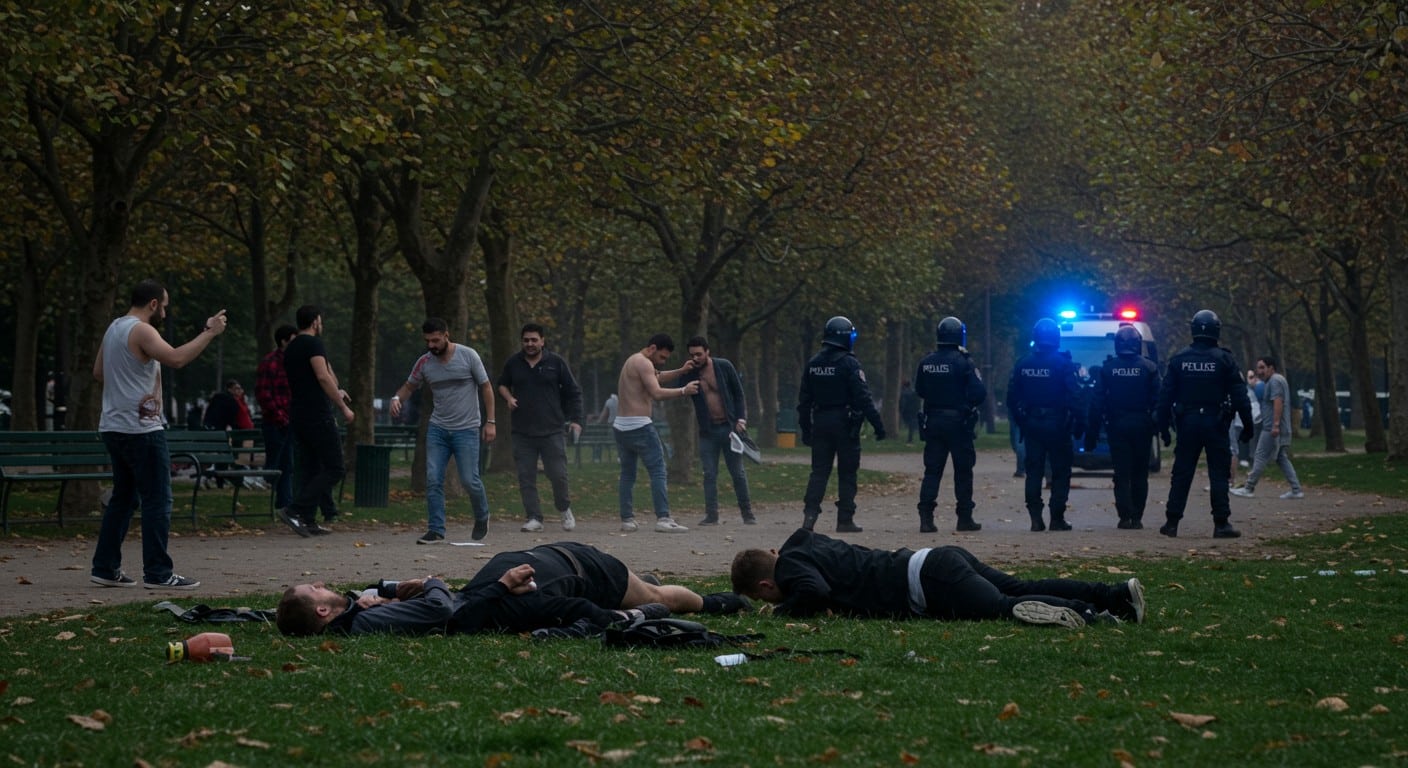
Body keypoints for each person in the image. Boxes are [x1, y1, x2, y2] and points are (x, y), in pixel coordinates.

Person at [276, 541, 750, 637]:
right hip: (568, 569)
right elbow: (444, 612)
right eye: (314, 590)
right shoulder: (364, 623)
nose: (321, 584)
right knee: (655, 598)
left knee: (652, 592)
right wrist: (434, 583)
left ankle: (709, 601)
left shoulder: (360, 612)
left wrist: (386, 590)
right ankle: (717, 603)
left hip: (543, 567)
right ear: (321, 613)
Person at [90, 279, 228, 590]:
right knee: (158, 499)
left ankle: (105, 567)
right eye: (163, 306)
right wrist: (210, 333)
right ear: (153, 304)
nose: (164, 311)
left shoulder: (114, 327)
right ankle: (158, 572)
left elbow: (99, 372)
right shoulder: (142, 330)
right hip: (141, 429)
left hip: (113, 425)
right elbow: (176, 358)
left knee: (123, 498)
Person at [730, 528, 1145, 628]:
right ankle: (1114, 595)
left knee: (1003, 607)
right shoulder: (803, 544)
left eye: (767, 598)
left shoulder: (789, 570)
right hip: (936, 559)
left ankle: (1087, 612)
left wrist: (785, 613)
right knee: (1017, 586)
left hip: (928, 583)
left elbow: (814, 592)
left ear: (766, 586)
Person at [389, 318, 496, 544]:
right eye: (428, 341)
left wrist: (491, 421)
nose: (431, 345)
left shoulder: (469, 356)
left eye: (436, 340)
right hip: (438, 428)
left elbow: (486, 387)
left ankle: (482, 515)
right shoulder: (424, 362)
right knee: (433, 478)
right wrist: (397, 398)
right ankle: (436, 529)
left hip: (466, 428)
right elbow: (409, 386)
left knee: (470, 480)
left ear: (447, 335)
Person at [1155, 310, 1253, 538]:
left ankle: (1171, 522)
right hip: (1216, 422)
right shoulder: (1225, 359)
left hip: (1187, 423)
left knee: (1182, 473)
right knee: (1218, 473)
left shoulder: (1179, 359)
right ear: (1216, 330)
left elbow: (1164, 398)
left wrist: (1164, 429)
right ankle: (1221, 523)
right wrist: (1248, 426)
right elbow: (1240, 396)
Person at [797, 316, 886, 533]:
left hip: (820, 422)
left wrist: (806, 430)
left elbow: (804, 401)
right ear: (845, 337)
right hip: (845, 424)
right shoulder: (849, 363)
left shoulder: (813, 364)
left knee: (819, 472)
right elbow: (864, 397)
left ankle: (809, 518)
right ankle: (845, 519)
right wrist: (878, 425)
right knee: (847, 473)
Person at [496, 323, 584, 533]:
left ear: (543, 341)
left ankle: (564, 509)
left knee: (558, 475)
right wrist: (508, 398)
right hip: (522, 431)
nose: (530, 344)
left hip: (552, 429)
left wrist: (576, 420)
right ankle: (534, 517)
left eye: (534, 340)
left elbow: (573, 391)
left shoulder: (556, 362)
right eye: (526, 340)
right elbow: (501, 384)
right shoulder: (514, 363)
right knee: (526, 476)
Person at [278, 305, 355, 538]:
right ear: (314, 322)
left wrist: (337, 390)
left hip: (298, 413)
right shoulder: (313, 344)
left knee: (311, 467)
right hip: (317, 413)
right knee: (335, 467)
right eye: (320, 321)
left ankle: (308, 520)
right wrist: (343, 407)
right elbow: (322, 376)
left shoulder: (291, 348)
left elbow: (325, 376)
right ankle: (294, 509)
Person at [613, 334, 699, 533]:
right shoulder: (643, 363)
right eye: (662, 357)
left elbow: (655, 376)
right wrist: (684, 390)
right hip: (640, 426)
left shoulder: (633, 361)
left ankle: (627, 519)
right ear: (652, 348)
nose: (662, 361)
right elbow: (657, 392)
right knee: (658, 471)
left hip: (621, 426)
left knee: (627, 474)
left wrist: (681, 371)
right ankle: (663, 518)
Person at [1007, 318, 1082, 532]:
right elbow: (1075, 395)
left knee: (1034, 471)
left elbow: (1012, 397)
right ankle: (1056, 518)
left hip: (1032, 425)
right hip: (1058, 425)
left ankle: (1035, 518)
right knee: (1060, 472)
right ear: (1056, 338)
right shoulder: (1063, 363)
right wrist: (1080, 422)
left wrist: (1023, 421)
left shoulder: (1023, 363)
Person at [913, 317, 986, 533]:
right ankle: (964, 518)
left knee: (932, 471)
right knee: (963, 471)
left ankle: (926, 518)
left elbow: (920, 390)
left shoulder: (926, 362)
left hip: (933, 421)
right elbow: (978, 393)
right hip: (958, 423)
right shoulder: (964, 362)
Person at [1085, 326, 1161, 529]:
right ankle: (1137, 517)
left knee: (1121, 473)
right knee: (1139, 473)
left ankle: (1124, 516)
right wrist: (1160, 427)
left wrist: (1091, 432)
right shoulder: (1150, 368)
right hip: (1142, 426)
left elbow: (1097, 402)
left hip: (1117, 426)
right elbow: (1159, 402)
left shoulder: (1107, 368)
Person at [679, 336, 755, 526]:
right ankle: (712, 515)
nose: (696, 358)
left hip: (729, 428)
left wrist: (741, 419)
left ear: (707, 352)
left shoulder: (723, 366)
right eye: (692, 355)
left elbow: (738, 394)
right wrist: (683, 371)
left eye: (699, 354)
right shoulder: (690, 372)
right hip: (708, 431)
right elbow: (677, 390)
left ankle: (747, 513)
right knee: (709, 473)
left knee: (737, 472)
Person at [1232, 356, 1304, 500]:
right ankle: (1296, 490)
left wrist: (1275, 425)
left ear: (1271, 368)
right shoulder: (1276, 380)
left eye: (1262, 368)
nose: (1259, 371)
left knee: (1259, 456)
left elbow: (1278, 402)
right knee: (1281, 458)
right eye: (1258, 368)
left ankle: (1248, 488)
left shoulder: (1275, 381)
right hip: (1279, 427)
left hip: (1272, 428)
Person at [255, 324, 298, 509]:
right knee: (278, 463)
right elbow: (264, 394)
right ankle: (282, 500)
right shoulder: (270, 362)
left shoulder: (291, 361)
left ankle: (284, 504)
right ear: (284, 341)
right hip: (275, 422)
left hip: (287, 421)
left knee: (287, 464)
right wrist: (280, 415)